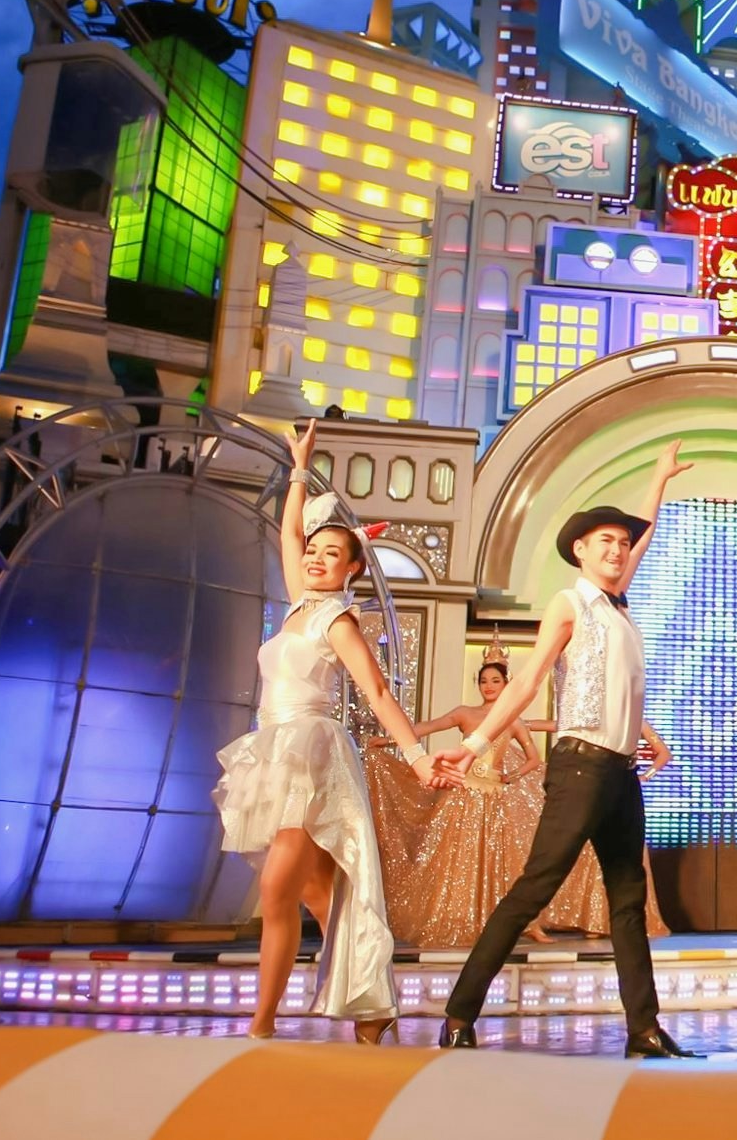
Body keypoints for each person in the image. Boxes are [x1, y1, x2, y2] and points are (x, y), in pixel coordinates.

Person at [433, 442, 695, 1057]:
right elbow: (525, 682)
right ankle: (458, 1013)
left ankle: (644, 1030)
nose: (617, 548)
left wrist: (657, 480)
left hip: (621, 776)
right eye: (604, 540)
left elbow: (645, 538)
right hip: (578, 768)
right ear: (579, 549)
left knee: (628, 903)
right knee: (534, 888)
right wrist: (473, 744)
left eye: (622, 542)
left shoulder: (619, 608)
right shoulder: (571, 603)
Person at [213, 420, 449, 1043]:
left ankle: (261, 1025)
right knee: (321, 894)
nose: (315, 559)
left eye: (330, 555)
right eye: (314, 552)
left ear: (350, 570)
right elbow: (288, 531)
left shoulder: (338, 621)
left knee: (275, 889)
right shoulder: (297, 602)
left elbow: (376, 694)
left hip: (311, 752)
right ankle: (371, 1003)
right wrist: (298, 467)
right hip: (272, 747)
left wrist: (419, 757)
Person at [364, 649, 672, 946]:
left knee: (503, 864)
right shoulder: (465, 713)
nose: (488, 686)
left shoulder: (518, 721)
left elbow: (535, 756)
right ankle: (464, 920)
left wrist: (512, 777)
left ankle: (529, 924)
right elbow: (427, 727)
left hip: (500, 799)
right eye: (484, 681)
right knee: (459, 866)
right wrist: (394, 738)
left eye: (495, 681)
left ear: (506, 684)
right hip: (464, 798)